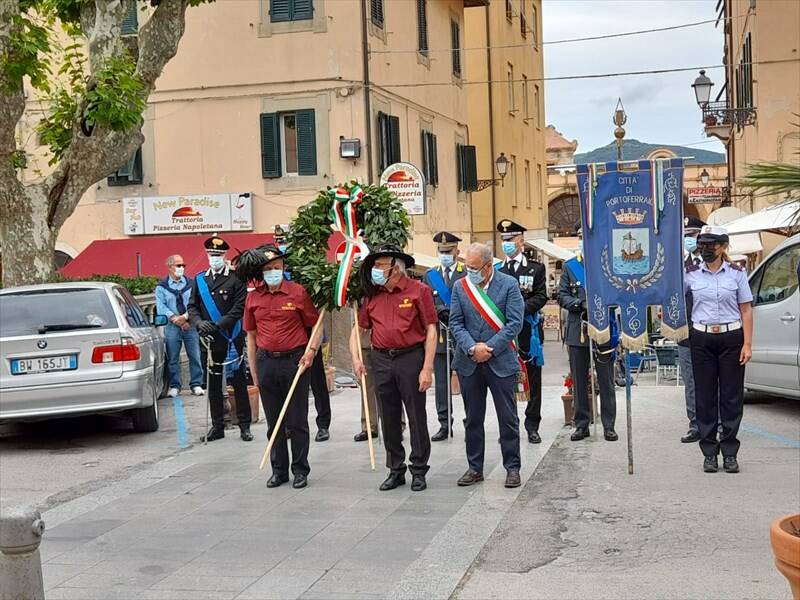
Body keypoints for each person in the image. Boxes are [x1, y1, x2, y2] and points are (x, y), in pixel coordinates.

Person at [350, 244, 438, 492]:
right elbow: (358, 329)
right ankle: (395, 468)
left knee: (415, 416)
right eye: (374, 265)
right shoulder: (372, 295)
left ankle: (419, 469)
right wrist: (356, 358)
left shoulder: (419, 291)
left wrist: (427, 367)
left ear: (396, 268)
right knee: (387, 417)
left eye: (380, 265)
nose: (375, 270)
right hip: (381, 360)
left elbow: (431, 330)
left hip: (410, 358)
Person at [241, 244, 322, 489]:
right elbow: (251, 337)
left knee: (297, 419)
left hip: (294, 361)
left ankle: (300, 470)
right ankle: (279, 470)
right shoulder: (253, 297)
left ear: (283, 267)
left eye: (277, 267)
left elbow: (316, 327)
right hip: (267, 362)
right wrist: (254, 370)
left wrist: (311, 352)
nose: (273, 271)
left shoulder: (298, 293)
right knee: (274, 421)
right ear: (261, 272)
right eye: (268, 269)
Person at [449, 242, 524, 488]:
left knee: (508, 417)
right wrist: (473, 348)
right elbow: (456, 323)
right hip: (469, 362)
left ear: (489, 266)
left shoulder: (509, 285)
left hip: (500, 361)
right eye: (467, 266)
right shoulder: (461, 287)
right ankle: (474, 467)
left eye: (474, 267)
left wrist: (489, 348)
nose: (469, 271)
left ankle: (512, 468)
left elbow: (515, 323)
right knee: (472, 418)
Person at [685, 225, 753, 474]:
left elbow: (746, 309)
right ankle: (709, 453)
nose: (705, 249)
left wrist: (747, 343)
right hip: (702, 338)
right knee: (705, 398)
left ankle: (730, 452)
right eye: (702, 244)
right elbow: (675, 299)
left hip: (731, 338)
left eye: (711, 244)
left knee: (731, 397)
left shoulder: (736, 274)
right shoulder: (690, 273)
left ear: (723, 247)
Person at [187, 235, 253, 442]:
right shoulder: (200, 279)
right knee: (213, 384)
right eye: (211, 254)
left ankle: (244, 425)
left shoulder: (236, 278)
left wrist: (218, 324)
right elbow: (192, 306)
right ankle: (218, 426)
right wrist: (198, 323)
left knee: (239, 382)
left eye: (217, 255)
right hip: (209, 340)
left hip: (230, 336)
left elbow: (239, 308)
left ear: (224, 256)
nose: (214, 258)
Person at [557, 239, 618, 441]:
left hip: (603, 327)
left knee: (606, 378)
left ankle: (609, 425)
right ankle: (582, 424)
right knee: (579, 379)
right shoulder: (570, 266)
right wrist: (579, 303)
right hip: (578, 328)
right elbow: (562, 295)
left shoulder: (608, 264)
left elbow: (617, 291)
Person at [496, 219, 548, 444]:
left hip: (528, 331)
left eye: (510, 239)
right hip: (505, 334)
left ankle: (532, 425)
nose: (507, 243)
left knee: (533, 382)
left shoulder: (535, 268)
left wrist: (518, 311)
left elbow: (540, 296)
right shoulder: (497, 270)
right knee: (505, 382)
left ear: (521, 240)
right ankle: (509, 426)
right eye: (503, 240)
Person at [422, 231, 466, 441]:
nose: (445, 254)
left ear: (457, 251)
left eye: (448, 251)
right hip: (439, 334)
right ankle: (444, 422)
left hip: (462, 335)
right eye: (441, 251)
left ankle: (471, 419)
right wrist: (438, 310)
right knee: (441, 382)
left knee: (467, 379)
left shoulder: (465, 272)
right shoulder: (430, 275)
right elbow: (424, 302)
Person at [155, 254, 204, 398]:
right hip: (172, 326)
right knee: (173, 357)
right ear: (170, 267)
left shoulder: (191, 283)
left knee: (194, 355)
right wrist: (175, 319)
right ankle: (175, 385)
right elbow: (161, 306)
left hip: (190, 324)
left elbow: (196, 303)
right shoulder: (161, 287)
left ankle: (196, 384)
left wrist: (184, 318)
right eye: (178, 265)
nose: (181, 268)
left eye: (183, 265)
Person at [678, 216, 706, 443]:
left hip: (708, 330)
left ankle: (713, 423)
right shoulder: (677, 266)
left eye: (693, 236)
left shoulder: (710, 264)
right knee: (691, 382)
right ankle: (695, 424)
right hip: (686, 331)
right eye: (686, 236)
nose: (690, 240)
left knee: (711, 380)